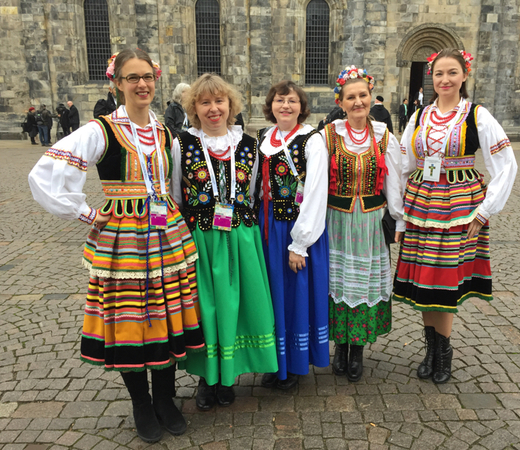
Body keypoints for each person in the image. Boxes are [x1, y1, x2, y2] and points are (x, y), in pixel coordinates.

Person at [28, 49, 204, 443]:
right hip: (123, 239)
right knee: (129, 319)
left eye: (147, 77)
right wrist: (88, 214)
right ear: (117, 83)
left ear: (155, 80)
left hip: (165, 233)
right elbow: (45, 174)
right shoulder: (100, 130)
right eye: (132, 78)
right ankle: (141, 403)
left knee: (165, 313)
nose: (142, 84)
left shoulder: (164, 133)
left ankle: (164, 398)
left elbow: (173, 186)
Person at [392, 48, 518, 384]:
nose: (444, 80)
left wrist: (484, 210)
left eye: (451, 73)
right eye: (438, 74)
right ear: (430, 78)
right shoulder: (419, 116)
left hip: (458, 206)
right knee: (424, 280)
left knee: (443, 279)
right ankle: (431, 349)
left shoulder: (477, 115)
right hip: (421, 205)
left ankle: (443, 353)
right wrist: (401, 216)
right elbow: (404, 166)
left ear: (464, 76)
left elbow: (506, 165)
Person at [174, 73, 278, 410]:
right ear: (195, 108)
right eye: (205, 102)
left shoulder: (249, 146)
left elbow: (251, 194)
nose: (213, 108)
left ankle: (229, 376)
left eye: (219, 101)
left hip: (241, 238)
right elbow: (176, 194)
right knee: (208, 309)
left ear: (230, 105)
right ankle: (207, 379)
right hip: (201, 240)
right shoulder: (182, 144)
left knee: (239, 308)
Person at [322, 66, 403, 382]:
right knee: (338, 283)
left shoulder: (384, 136)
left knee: (361, 284)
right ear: (341, 102)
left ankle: (356, 349)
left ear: (371, 97)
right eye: (351, 97)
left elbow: (393, 184)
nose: (358, 102)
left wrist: (398, 220)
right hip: (337, 222)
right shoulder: (329, 135)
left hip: (369, 223)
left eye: (363, 95)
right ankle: (339, 346)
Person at [253, 81, 329, 390]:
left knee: (294, 295)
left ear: (302, 106)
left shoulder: (312, 140)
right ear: (270, 105)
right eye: (280, 100)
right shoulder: (262, 138)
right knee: (271, 295)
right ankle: (276, 362)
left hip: (297, 227)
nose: (286, 105)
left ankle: (296, 366)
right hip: (266, 225)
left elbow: (315, 193)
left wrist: (300, 244)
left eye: (292, 101)